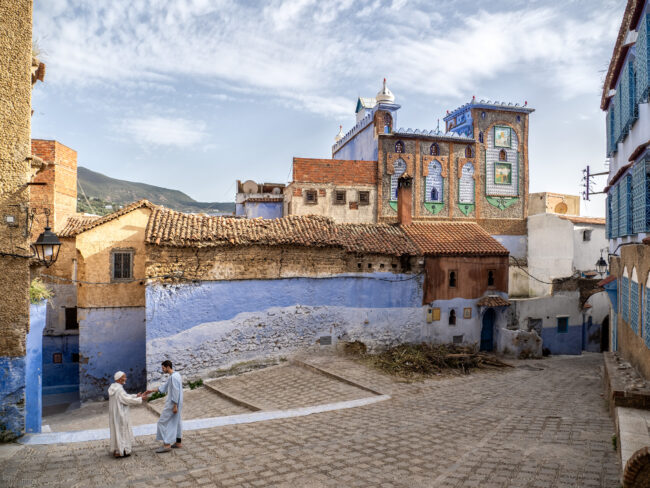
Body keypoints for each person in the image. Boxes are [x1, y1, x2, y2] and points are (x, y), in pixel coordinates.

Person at [148, 360, 183, 453]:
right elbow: (164, 387)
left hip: (173, 404)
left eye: (163, 368)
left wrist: (175, 405)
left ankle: (167, 444)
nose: (162, 370)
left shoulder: (173, 378)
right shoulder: (176, 375)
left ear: (168, 367)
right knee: (177, 421)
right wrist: (151, 391)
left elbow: (176, 392)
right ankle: (178, 442)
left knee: (162, 422)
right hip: (177, 403)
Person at [108, 371, 144, 458]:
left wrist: (136, 396)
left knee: (117, 430)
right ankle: (123, 450)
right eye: (124, 377)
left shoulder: (113, 387)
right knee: (122, 431)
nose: (126, 379)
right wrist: (140, 399)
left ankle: (117, 450)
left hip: (115, 414)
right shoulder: (119, 390)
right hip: (121, 414)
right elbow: (126, 400)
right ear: (120, 379)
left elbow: (125, 396)